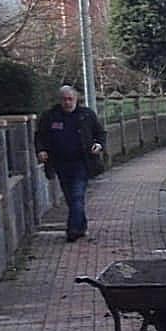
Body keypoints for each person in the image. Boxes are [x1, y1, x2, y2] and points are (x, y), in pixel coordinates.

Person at [35, 84, 106, 242]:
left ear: (76, 99)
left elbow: (100, 133)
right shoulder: (50, 116)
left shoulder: (86, 115)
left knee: (77, 195)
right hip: (60, 163)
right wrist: (41, 150)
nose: (67, 103)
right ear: (59, 100)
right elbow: (40, 136)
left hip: (82, 162)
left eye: (70, 99)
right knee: (70, 197)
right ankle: (81, 226)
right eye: (64, 99)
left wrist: (99, 145)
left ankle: (72, 230)